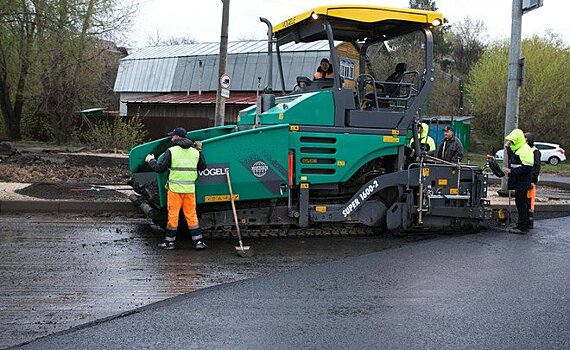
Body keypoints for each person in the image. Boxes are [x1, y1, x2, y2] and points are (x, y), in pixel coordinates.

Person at [145, 127, 207, 250]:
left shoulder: (171, 151)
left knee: (173, 215)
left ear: (177, 137)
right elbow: (203, 167)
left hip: (175, 190)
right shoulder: (195, 152)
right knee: (191, 215)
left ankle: (169, 242)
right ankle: (198, 241)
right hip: (189, 190)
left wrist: (151, 160)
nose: (172, 138)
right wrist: (199, 151)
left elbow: (159, 169)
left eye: (173, 136)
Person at [502, 128, 534, 234]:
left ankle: (522, 226)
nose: (511, 143)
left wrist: (511, 171)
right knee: (521, 203)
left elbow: (527, 168)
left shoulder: (525, 150)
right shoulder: (520, 149)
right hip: (519, 182)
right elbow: (514, 159)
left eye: (513, 141)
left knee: (522, 204)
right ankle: (522, 224)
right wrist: (507, 147)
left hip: (522, 182)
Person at [525, 132, 541, 229]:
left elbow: (536, 167)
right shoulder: (527, 150)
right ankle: (526, 220)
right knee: (525, 201)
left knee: (530, 202)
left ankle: (529, 221)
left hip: (531, 181)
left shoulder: (535, 151)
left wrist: (532, 180)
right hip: (526, 179)